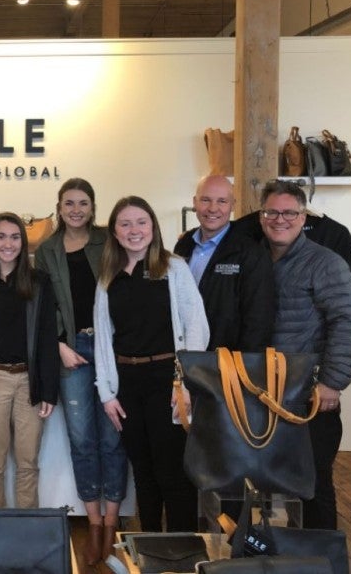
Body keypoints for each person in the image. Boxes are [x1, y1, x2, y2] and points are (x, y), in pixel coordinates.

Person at [93, 196, 209, 532]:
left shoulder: (173, 269)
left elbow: (196, 327)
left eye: (141, 222)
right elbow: (103, 339)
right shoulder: (108, 278)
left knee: (171, 471)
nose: (134, 230)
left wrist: (188, 383)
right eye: (125, 223)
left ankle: (182, 550)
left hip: (168, 381)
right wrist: (107, 394)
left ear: (153, 227)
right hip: (127, 383)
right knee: (142, 473)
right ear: (114, 232)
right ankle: (152, 550)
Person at [258, 179, 351, 530]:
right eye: (272, 211)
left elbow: (348, 320)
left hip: (311, 396)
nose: (280, 219)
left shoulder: (325, 262)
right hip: (262, 392)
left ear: (304, 217)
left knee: (313, 486)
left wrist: (332, 382)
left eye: (289, 212)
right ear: (261, 216)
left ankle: (324, 563)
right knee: (264, 486)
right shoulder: (254, 258)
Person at [34, 179, 127, 565]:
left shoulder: (109, 241)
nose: (76, 209)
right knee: (82, 439)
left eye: (83, 203)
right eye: (69, 203)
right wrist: (59, 346)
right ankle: (92, 523)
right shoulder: (47, 250)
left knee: (113, 438)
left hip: (110, 350)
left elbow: (126, 291)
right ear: (58, 207)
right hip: (70, 351)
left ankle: (111, 523)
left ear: (93, 207)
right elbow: (43, 304)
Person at [0, 212, 60, 509]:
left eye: (15, 237)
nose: (8, 243)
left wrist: (48, 390)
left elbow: (46, 339)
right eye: (1, 236)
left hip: (29, 382)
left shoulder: (39, 282)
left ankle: (25, 531)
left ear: (23, 241)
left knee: (28, 463)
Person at [173, 175, 274, 351]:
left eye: (222, 201)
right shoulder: (184, 245)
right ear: (195, 202)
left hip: (227, 365)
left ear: (233, 205)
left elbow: (259, 320)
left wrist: (244, 368)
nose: (213, 208)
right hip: (186, 356)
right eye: (205, 200)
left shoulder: (250, 253)